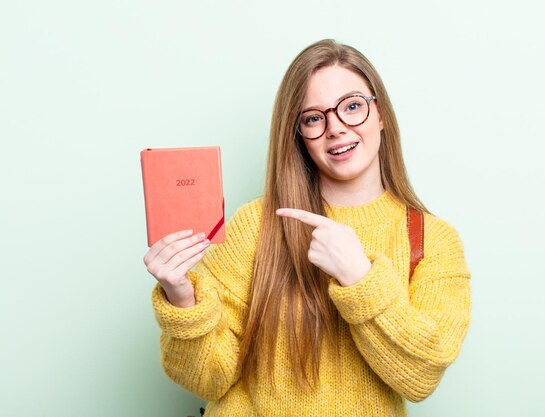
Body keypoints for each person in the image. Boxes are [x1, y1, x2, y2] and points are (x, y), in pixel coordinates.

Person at [143, 39, 471, 417]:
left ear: (380, 114)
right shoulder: (257, 224)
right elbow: (208, 380)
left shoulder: (433, 240)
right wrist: (182, 299)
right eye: (314, 118)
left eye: (352, 107)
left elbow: (421, 376)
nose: (336, 128)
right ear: (298, 135)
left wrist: (359, 277)